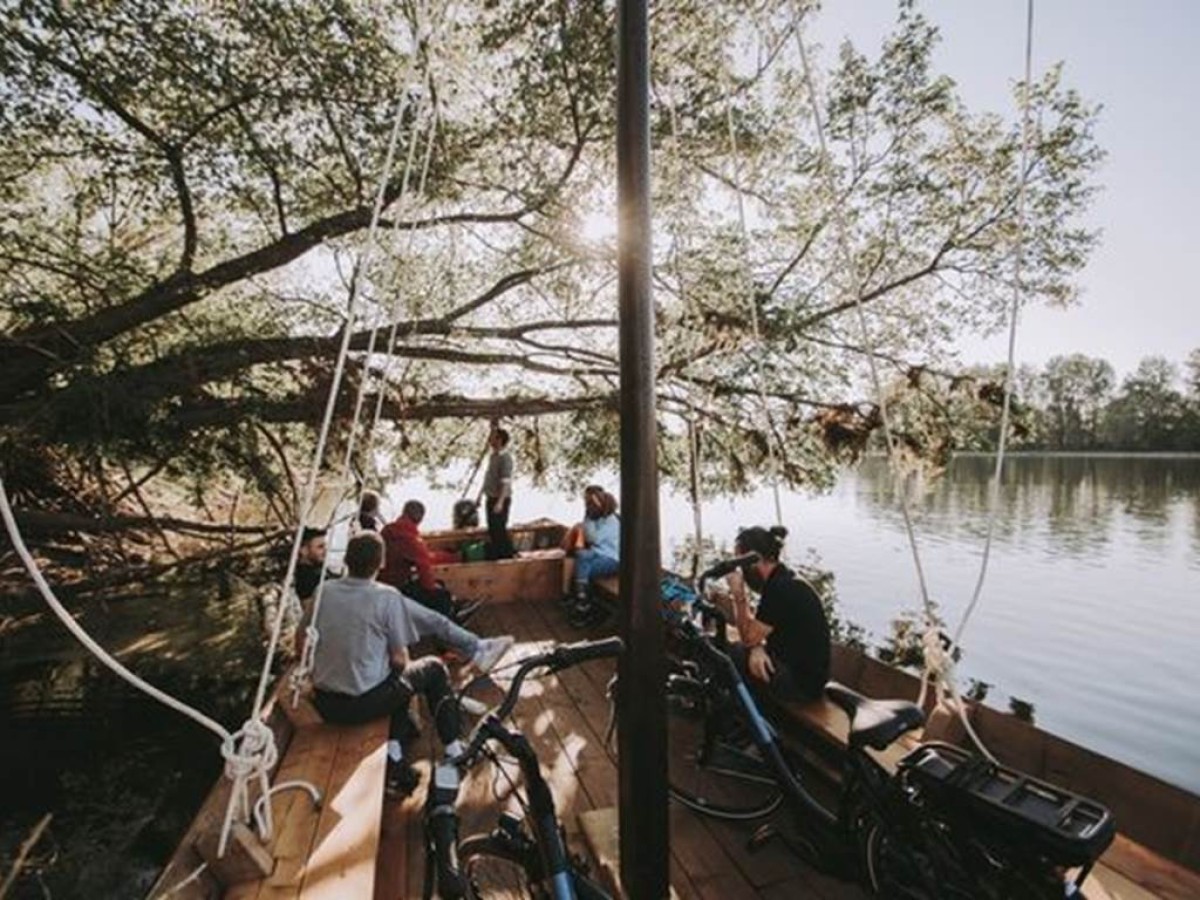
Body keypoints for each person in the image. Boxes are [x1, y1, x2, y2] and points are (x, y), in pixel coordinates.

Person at [309, 533, 511, 795]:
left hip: (325, 704)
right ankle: (453, 747)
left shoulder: (322, 590)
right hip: (361, 705)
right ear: (381, 563)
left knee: (396, 677)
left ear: (347, 559)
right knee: (430, 669)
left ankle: (393, 752)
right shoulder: (386, 596)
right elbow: (400, 661)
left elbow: (303, 642)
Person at [725, 526, 831, 702]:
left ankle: (743, 716)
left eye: (740, 565)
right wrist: (757, 647)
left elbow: (747, 638)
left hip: (801, 685)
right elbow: (755, 637)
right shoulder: (783, 578)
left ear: (753, 561)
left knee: (727, 653)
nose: (741, 573)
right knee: (742, 652)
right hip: (804, 673)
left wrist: (738, 594)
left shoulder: (779, 590)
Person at [379, 500, 466, 620]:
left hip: (379, 584)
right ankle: (450, 621)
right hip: (396, 590)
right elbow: (427, 579)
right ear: (420, 519)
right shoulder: (412, 540)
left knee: (437, 585)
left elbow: (423, 557)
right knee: (441, 595)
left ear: (403, 512)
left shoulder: (387, 530)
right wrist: (438, 589)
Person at [565, 486, 621, 628]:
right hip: (597, 556)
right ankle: (583, 603)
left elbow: (593, 538)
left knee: (581, 564)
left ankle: (582, 603)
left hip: (612, 560)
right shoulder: (598, 520)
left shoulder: (611, 521)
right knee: (581, 560)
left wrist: (587, 518)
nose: (588, 508)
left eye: (591, 505)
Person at [479, 427, 515, 560]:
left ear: (499, 440)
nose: (489, 439)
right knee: (492, 530)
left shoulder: (505, 458)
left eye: (492, 437)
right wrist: (480, 496)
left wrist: (500, 502)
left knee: (499, 530)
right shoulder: (493, 456)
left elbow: (506, 482)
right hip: (491, 497)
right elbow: (489, 477)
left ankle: (508, 557)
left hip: (500, 499)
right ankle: (498, 556)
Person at [293, 526, 328, 604]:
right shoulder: (305, 578)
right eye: (320, 547)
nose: (326, 550)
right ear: (304, 550)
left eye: (325, 546)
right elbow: (308, 609)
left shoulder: (318, 569)